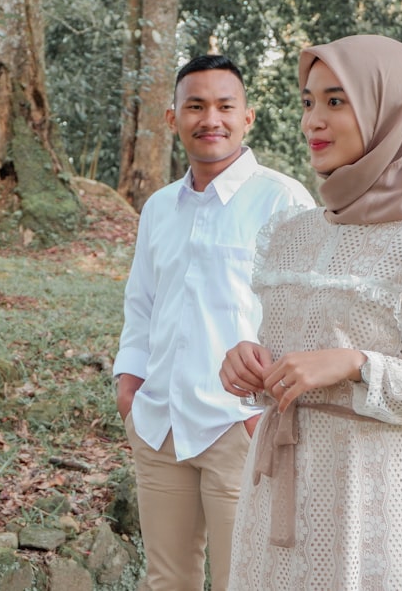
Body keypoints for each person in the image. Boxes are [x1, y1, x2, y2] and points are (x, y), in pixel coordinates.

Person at [219, 34, 402, 590]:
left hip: (368, 493)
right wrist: (250, 367)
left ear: (388, 111)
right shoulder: (293, 233)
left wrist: (356, 364)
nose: (312, 121)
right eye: (307, 101)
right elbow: (285, 356)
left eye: (336, 101)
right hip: (273, 482)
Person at [113, 54, 315, 591]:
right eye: (195, 106)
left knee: (244, 580)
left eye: (225, 107)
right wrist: (129, 385)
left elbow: (308, 314)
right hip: (159, 424)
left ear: (248, 117)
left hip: (238, 425)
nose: (211, 120)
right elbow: (143, 302)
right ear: (172, 116)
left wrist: (262, 410)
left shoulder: (283, 200)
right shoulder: (158, 208)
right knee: (167, 581)